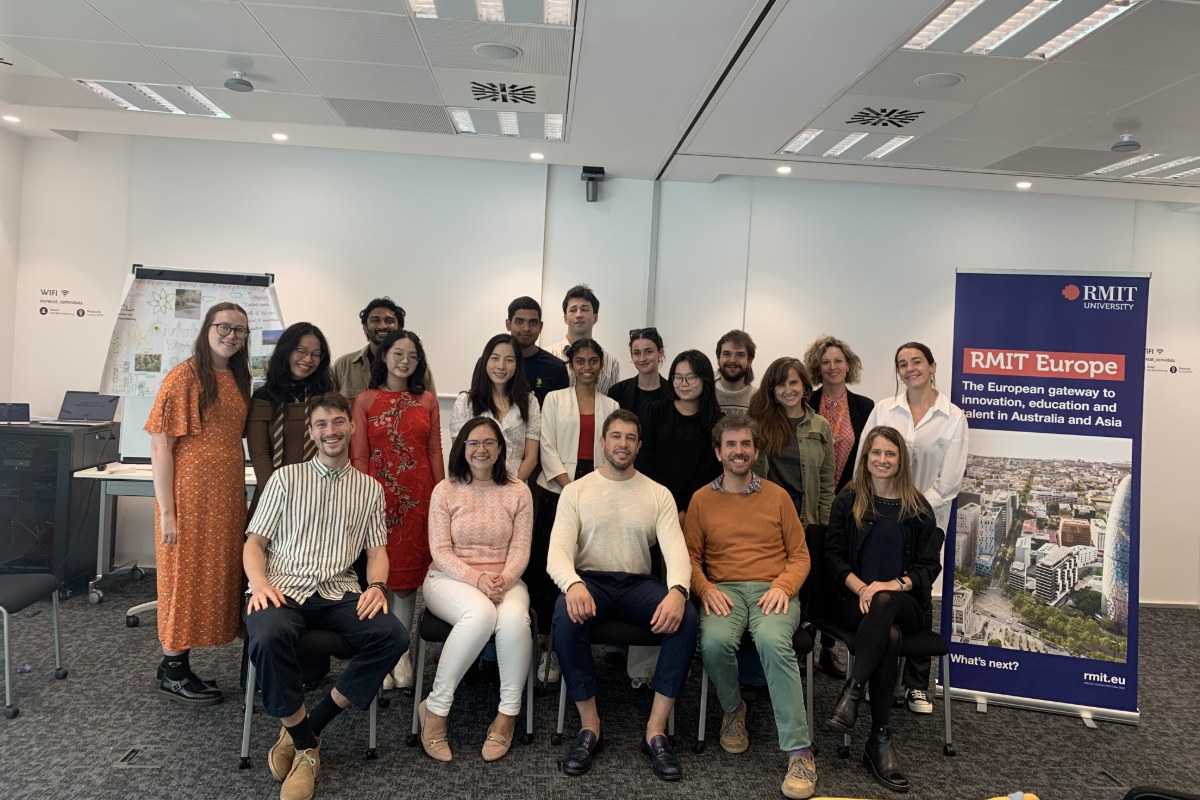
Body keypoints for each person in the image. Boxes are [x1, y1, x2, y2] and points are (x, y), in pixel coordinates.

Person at [243, 392, 408, 800]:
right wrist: (259, 584)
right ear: (312, 432)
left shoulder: (369, 489)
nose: (330, 431)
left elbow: (377, 552)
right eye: (321, 424)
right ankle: (306, 750)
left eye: (337, 422)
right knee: (267, 636)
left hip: (338, 591)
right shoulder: (286, 478)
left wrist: (376, 586)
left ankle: (307, 729)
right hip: (283, 587)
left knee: (393, 635)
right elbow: (254, 543)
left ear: (351, 426)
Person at [547, 410, 698, 781]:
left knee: (687, 618)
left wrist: (678, 590)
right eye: (616, 436)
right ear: (603, 442)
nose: (623, 444)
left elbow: (677, 552)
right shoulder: (576, 491)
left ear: (639, 446)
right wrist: (573, 584)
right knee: (564, 616)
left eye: (630, 438)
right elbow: (557, 553)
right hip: (590, 581)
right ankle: (590, 727)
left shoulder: (657, 493)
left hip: (637, 584)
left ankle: (655, 732)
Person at [684, 415, 817, 799]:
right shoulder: (701, 500)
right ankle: (733, 710)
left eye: (745, 444)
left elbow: (800, 555)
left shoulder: (778, 497)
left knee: (774, 644)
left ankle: (799, 752)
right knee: (712, 643)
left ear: (756, 451)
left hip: (771, 590)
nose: (738, 451)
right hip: (723, 590)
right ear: (718, 452)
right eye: (731, 444)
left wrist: (783, 586)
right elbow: (690, 557)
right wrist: (705, 587)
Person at [826, 426, 944, 794]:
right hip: (854, 602)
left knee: (885, 605)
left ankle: (853, 691)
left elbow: (928, 567)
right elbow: (833, 558)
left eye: (890, 454)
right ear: (866, 458)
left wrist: (890, 585)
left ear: (901, 460)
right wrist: (862, 587)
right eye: (876, 453)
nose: (882, 459)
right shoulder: (848, 502)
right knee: (888, 637)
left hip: (905, 604)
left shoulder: (918, 509)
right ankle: (879, 739)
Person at [146, 301, 251, 705]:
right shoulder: (184, 377)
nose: (231, 336)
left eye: (239, 330)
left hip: (224, 498)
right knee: (182, 579)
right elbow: (161, 446)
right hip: (187, 499)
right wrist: (168, 513)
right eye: (224, 327)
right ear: (207, 328)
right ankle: (172, 670)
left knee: (213, 577)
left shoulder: (237, 378)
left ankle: (178, 663)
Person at [860, 342, 967, 715]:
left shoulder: (952, 417)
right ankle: (876, 674)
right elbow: (866, 459)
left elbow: (948, 483)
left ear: (932, 366)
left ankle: (916, 685)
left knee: (918, 590)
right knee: (880, 590)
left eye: (917, 361)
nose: (910, 368)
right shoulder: (884, 410)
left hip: (926, 519)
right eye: (902, 363)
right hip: (880, 518)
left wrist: (910, 509)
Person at [418, 417, 533, 763]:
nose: (481, 450)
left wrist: (503, 580)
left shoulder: (518, 491)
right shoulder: (445, 489)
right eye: (473, 443)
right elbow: (440, 550)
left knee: (514, 621)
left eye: (489, 443)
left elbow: (520, 549)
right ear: (462, 447)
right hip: (448, 579)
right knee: (480, 613)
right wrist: (477, 579)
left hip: (504, 580)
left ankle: (507, 715)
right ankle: (435, 710)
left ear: (500, 448)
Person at [351, 329, 445, 691]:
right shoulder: (364, 401)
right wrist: (361, 499)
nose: (405, 361)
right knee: (381, 576)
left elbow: (434, 451)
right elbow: (360, 455)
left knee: (406, 582)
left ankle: (401, 654)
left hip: (419, 498)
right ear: (384, 357)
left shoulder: (427, 401)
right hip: (377, 497)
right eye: (398, 354)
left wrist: (441, 495)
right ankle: (384, 650)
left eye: (412, 356)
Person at [527, 338, 619, 682]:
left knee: (585, 564)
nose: (586, 367)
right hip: (557, 489)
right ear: (571, 365)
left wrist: (586, 489)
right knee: (551, 565)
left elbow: (612, 448)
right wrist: (569, 486)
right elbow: (546, 446)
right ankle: (547, 648)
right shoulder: (553, 399)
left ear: (601, 365)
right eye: (580, 361)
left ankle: (576, 642)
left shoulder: (611, 405)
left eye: (593, 361)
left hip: (597, 490)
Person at [246, 322, 335, 521]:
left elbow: (334, 449)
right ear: (286, 351)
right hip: (273, 496)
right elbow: (260, 454)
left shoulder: (327, 397)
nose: (308, 359)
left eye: (316, 354)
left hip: (319, 496)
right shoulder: (264, 397)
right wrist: (277, 497)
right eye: (301, 351)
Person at [636, 350, 724, 526]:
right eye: (678, 377)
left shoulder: (717, 421)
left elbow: (710, 471)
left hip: (695, 507)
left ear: (705, 379)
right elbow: (643, 460)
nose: (683, 383)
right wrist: (658, 505)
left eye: (691, 377)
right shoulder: (654, 411)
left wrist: (685, 510)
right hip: (652, 503)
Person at [748, 357, 835, 528]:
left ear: (804, 386)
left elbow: (826, 483)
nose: (788, 390)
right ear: (773, 391)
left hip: (806, 521)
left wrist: (826, 526)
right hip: (767, 518)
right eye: (781, 385)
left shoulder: (821, 426)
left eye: (793, 382)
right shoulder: (758, 424)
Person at [449, 333, 541, 481]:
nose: (501, 366)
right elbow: (459, 452)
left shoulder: (529, 401)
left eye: (509, 360)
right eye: (495, 358)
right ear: (485, 360)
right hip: (473, 486)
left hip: (516, 485)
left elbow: (531, 457)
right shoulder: (466, 402)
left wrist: (513, 487)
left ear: (517, 364)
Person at [804, 336, 874, 493]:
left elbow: (868, 454)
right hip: (810, 493)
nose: (832, 367)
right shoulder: (805, 403)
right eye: (825, 362)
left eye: (838, 361)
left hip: (850, 494)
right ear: (818, 368)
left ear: (848, 365)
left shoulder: (865, 407)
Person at [332, 297, 436, 401]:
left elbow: (430, 405)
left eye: (389, 321)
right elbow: (330, 406)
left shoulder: (417, 367)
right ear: (365, 328)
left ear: (400, 328)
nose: (382, 326)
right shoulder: (343, 366)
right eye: (375, 320)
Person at [546, 284, 620, 393]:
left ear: (595, 318)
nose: (579, 315)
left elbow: (611, 400)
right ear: (565, 318)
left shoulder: (611, 363)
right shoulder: (548, 355)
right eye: (573, 310)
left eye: (584, 309)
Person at [505, 296, 569, 406]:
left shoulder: (556, 368)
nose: (526, 328)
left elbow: (561, 412)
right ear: (508, 324)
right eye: (520, 321)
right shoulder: (491, 364)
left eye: (533, 323)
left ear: (541, 326)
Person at [607, 327, 670, 420]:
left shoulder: (673, 393)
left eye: (649, 352)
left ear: (660, 353)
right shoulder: (617, 392)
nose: (642, 358)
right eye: (637, 353)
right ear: (632, 356)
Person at [714, 330, 757, 413]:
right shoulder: (704, 395)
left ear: (749, 361)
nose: (732, 360)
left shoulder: (759, 399)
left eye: (740, 355)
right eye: (727, 354)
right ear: (718, 359)